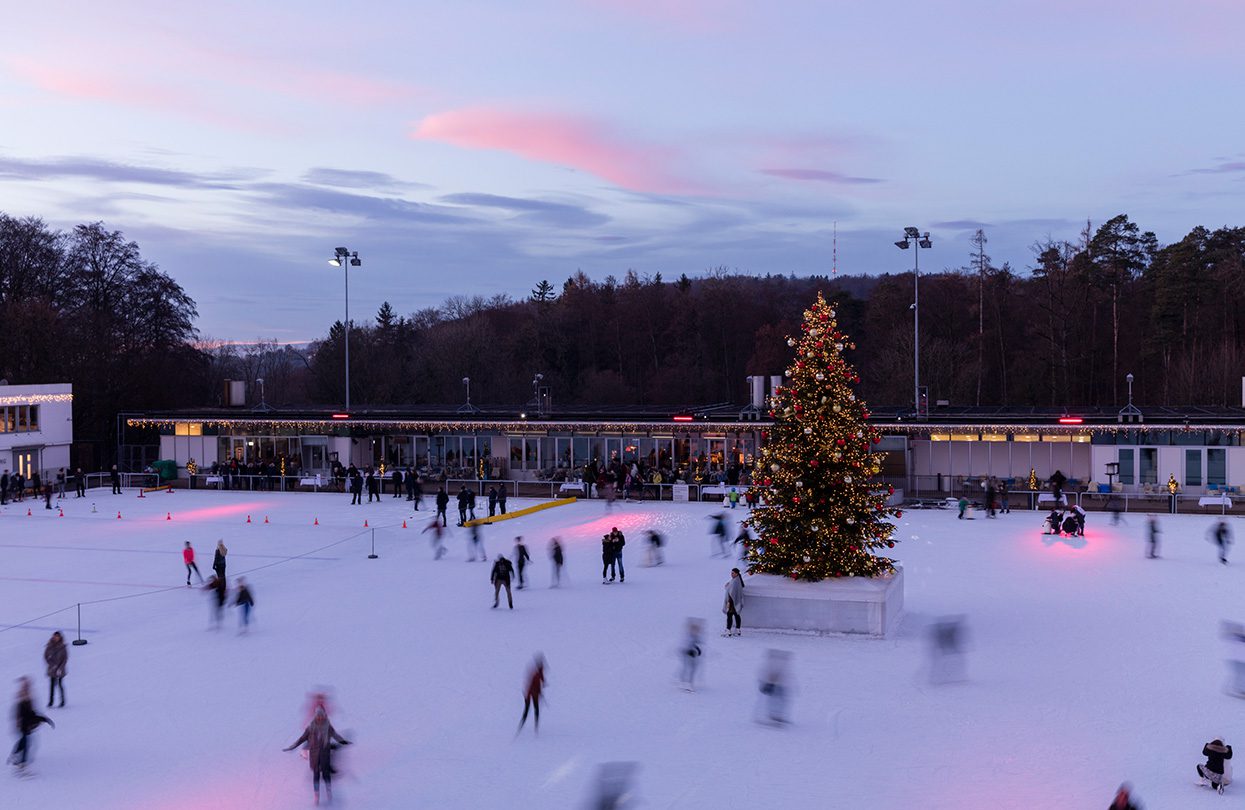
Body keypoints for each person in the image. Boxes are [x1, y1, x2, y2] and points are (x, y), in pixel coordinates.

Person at [283, 705, 350, 806]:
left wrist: (343, 741)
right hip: (314, 756)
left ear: (324, 716)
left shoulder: (328, 727)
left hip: (325, 755)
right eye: (318, 716)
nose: (319, 718)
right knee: (316, 774)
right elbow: (302, 739)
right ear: (315, 716)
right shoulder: (311, 728)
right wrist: (293, 747)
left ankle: (329, 792)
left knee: (326, 774)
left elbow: (335, 735)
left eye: (321, 716)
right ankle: (316, 795)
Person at [7, 677, 53, 772]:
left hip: (25, 725)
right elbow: (28, 714)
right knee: (26, 742)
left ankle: (15, 756)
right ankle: (21, 762)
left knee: (24, 741)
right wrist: (40, 719)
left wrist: (43, 719)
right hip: (24, 725)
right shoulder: (23, 700)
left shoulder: (27, 698)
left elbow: (31, 713)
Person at [757, 649, 791, 725]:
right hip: (771, 685)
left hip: (780, 685)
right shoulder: (771, 663)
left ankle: (777, 716)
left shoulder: (780, 663)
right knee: (775, 700)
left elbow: (786, 675)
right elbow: (764, 673)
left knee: (781, 700)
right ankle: (773, 715)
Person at [517, 654, 545, 735]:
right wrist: (539, 691)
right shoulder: (536, 674)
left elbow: (541, 680)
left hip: (533, 693)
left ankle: (535, 728)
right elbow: (533, 685)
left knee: (534, 709)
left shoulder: (539, 672)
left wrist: (540, 688)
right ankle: (523, 726)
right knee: (528, 709)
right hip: (530, 694)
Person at [44, 632, 67, 708]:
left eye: (57, 636)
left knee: (60, 685)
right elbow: (46, 657)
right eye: (55, 636)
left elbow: (65, 658)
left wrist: (60, 668)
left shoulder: (63, 647)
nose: (56, 638)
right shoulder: (49, 646)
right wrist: (52, 665)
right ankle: (51, 702)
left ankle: (62, 701)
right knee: (52, 686)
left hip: (60, 669)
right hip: (52, 669)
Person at [679, 619, 703, 691]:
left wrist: (698, 650)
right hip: (687, 655)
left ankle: (688, 683)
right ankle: (685, 683)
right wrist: (688, 651)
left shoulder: (696, 636)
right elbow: (685, 645)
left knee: (693, 669)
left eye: (697, 630)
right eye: (694, 629)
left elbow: (697, 644)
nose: (696, 631)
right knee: (687, 668)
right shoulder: (688, 636)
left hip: (693, 655)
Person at [723, 567, 744, 637]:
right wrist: (728, 585)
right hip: (735, 602)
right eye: (731, 573)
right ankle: (738, 630)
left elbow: (732, 593)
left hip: (732, 602)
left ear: (737, 574)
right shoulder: (737, 580)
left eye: (733, 573)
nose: (731, 574)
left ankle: (728, 630)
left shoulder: (735, 581)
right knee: (736, 615)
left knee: (729, 616)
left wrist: (729, 602)